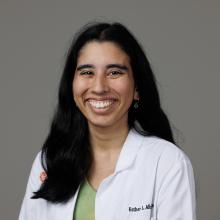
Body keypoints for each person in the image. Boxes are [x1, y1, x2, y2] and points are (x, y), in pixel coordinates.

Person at [19, 22, 196, 220]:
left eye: (114, 72)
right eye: (87, 72)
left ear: (137, 87)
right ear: (72, 85)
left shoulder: (167, 163)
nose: (99, 87)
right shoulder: (48, 162)